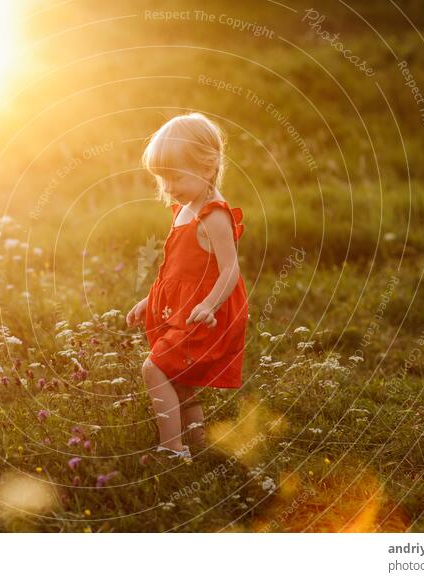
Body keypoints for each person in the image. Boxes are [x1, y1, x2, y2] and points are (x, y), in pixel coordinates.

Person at [126, 112, 248, 460]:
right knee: (179, 378)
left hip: (204, 313)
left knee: (155, 368)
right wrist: (148, 300)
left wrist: (209, 304)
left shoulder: (213, 215)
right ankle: (196, 442)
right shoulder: (184, 209)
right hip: (179, 308)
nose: (168, 187)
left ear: (208, 168)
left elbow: (230, 270)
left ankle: (171, 448)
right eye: (162, 179)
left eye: (175, 176)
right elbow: (177, 271)